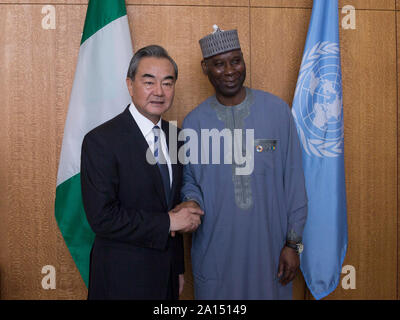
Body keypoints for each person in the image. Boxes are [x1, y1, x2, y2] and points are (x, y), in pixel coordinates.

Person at [180, 26, 308, 299]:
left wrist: (293, 245)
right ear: (205, 68)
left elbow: (295, 182)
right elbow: (190, 181)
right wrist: (191, 200)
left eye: (235, 61)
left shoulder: (277, 112)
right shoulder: (194, 122)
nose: (229, 70)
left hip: (270, 251)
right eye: (218, 64)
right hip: (216, 253)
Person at [81, 45, 204, 300]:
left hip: (166, 276)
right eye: (149, 82)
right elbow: (102, 217)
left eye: (167, 83)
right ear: (130, 84)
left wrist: (178, 268)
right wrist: (168, 222)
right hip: (120, 279)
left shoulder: (176, 138)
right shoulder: (101, 141)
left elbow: (171, 205)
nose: (159, 92)